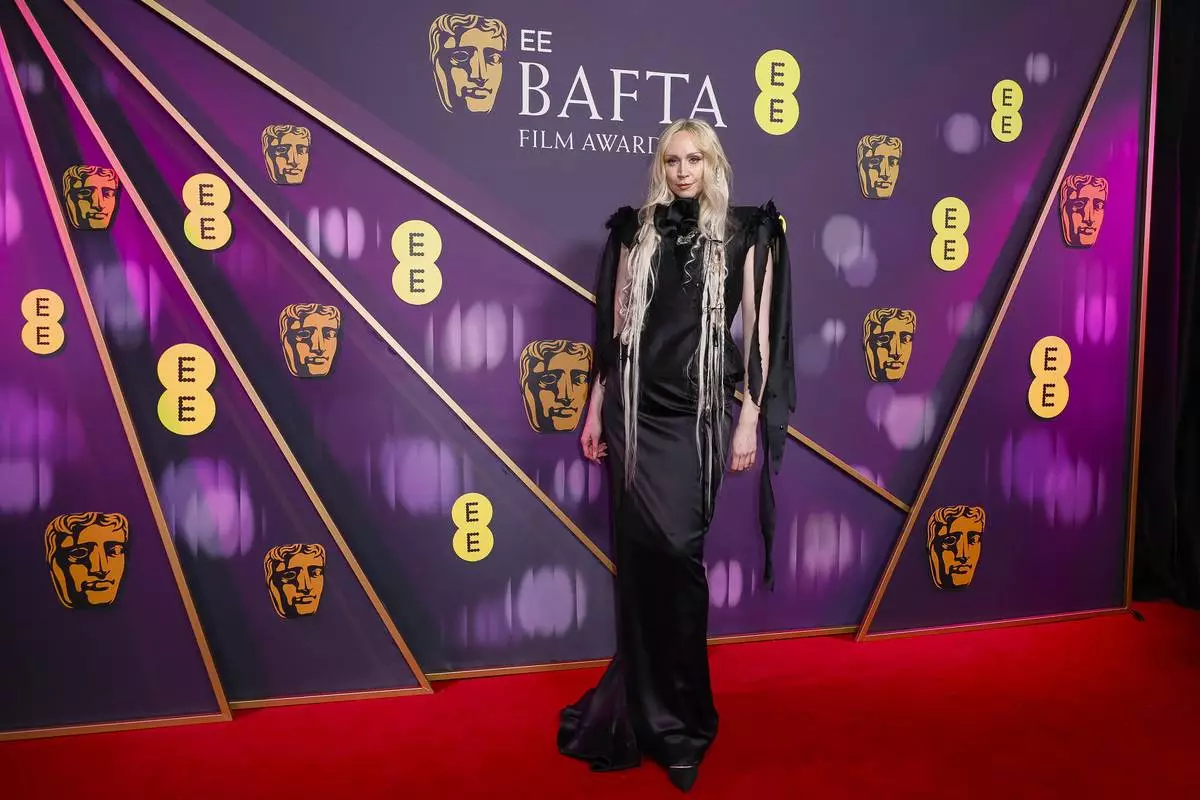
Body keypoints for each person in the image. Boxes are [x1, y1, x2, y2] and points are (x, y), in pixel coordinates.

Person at [557, 118, 795, 792]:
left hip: (697, 421)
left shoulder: (747, 233)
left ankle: (684, 722)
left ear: (714, 163)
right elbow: (620, 330)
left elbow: (761, 337)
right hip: (637, 412)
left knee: (678, 559)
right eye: (671, 161)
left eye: (694, 159)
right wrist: (596, 408)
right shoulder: (638, 231)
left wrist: (748, 418)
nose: (682, 171)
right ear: (660, 167)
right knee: (638, 564)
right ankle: (639, 707)